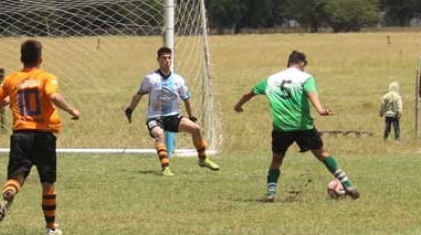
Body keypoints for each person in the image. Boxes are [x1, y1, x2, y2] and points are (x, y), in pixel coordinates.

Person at [234, 50, 360, 202]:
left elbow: (250, 93)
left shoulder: (271, 79)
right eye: (305, 64)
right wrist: (320, 109)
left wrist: (238, 105)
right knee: (322, 154)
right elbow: (311, 93)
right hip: (303, 126)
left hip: (282, 128)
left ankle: (271, 193)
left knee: (277, 159)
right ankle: (347, 184)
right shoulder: (305, 78)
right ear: (301, 63)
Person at [0, 39, 80, 235]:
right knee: (47, 183)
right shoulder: (46, 77)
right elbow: (53, 96)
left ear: (22, 58)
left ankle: (9, 193)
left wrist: (11, 98)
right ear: (41, 58)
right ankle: (50, 227)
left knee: (16, 177)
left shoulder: (12, 79)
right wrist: (72, 110)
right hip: (43, 136)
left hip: (20, 135)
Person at [124, 46, 220, 176]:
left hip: (173, 117)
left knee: (196, 129)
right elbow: (138, 95)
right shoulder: (150, 79)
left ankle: (203, 159)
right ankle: (166, 168)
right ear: (158, 60)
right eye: (164, 58)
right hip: (155, 118)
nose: (167, 61)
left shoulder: (178, 80)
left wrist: (191, 117)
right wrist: (130, 110)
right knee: (159, 134)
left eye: (169, 58)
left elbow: (186, 99)